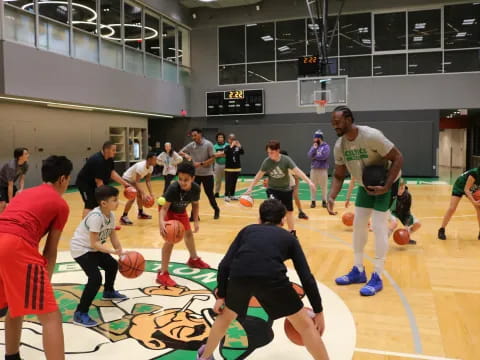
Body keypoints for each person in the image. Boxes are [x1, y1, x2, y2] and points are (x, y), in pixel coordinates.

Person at [196, 199, 329, 360]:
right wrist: (319, 310)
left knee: (225, 318)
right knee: (306, 326)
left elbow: (224, 265)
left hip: (240, 276)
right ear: (283, 220)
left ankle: (204, 358)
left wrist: (221, 296)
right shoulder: (289, 238)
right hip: (272, 278)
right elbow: (306, 277)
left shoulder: (247, 231)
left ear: (259, 219)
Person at [0, 155, 73, 360]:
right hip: (15, 246)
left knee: (15, 305)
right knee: (51, 317)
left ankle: (11, 357)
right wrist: (45, 283)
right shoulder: (60, 204)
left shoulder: (23, 193)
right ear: (63, 179)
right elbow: (50, 250)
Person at [327, 106, 403, 297]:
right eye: (333, 122)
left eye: (337, 122)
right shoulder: (340, 145)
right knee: (359, 224)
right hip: (364, 185)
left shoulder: (371, 136)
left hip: (386, 182)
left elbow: (398, 157)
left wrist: (386, 185)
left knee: (378, 225)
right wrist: (332, 196)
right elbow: (338, 175)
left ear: (349, 119)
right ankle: (358, 270)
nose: (334, 125)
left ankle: (377, 275)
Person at [70, 185, 127, 327]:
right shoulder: (96, 217)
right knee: (95, 278)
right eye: (114, 200)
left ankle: (108, 291)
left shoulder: (111, 215)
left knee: (112, 265)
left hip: (92, 248)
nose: (118, 202)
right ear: (103, 203)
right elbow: (94, 243)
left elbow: (113, 234)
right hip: (81, 249)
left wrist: (119, 249)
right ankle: (80, 313)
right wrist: (111, 251)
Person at [244, 140, 316, 236]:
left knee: (289, 212)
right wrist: (250, 188)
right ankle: (267, 231)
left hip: (286, 189)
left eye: (272, 152)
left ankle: (292, 232)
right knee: (272, 210)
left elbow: (298, 171)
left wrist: (309, 182)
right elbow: (259, 175)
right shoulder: (266, 162)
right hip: (272, 189)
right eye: (268, 153)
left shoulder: (286, 160)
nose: (270, 155)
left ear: (278, 150)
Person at [157, 163, 210, 286]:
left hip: (181, 210)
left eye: (186, 180)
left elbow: (195, 205)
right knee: (170, 239)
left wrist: (195, 221)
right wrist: (162, 223)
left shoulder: (196, 188)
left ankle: (193, 259)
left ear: (193, 178)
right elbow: (164, 209)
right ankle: (162, 273)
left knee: (189, 234)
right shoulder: (173, 188)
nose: (182, 182)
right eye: (180, 179)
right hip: (168, 210)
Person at [76, 141, 130, 218]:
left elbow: (112, 173)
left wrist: (125, 184)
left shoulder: (109, 158)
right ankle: (85, 227)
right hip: (85, 184)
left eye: (115, 150)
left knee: (101, 203)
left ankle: (102, 224)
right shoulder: (98, 161)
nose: (115, 152)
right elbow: (99, 182)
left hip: (96, 183)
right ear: (106, 150)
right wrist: (107, 196)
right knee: (90, 205)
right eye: (113, 150)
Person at [179, 128, 220, 220]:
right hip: (196, 175)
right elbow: (180, 152)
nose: (193, 137)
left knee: (209, 194)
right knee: (193, 194)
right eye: (192, 136)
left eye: (195, 135)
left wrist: (201, 163)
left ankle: (216, 209)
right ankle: (194, 215)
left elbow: (213, 158)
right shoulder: (191, 145)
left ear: (200, 134)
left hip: (207, 174)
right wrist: (186, 155)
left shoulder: (208, 144)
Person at [438, 167, 480, 240]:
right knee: (452, 208)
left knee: (479, 208)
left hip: (472, 187)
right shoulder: (475, 173)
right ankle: (442, 229)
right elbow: (466, 189)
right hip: (460, 186)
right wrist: (473, 201)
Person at [119, 152, 157, 225]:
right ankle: (124, 217)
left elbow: (148, 181)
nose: (156, 161)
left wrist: (151, 193)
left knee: (139, 195)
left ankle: (140, 213)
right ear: (149, 159)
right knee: (132, 196)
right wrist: (144, 194)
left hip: (134, 180)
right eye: (154, 160)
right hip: (127, 179)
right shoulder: (141, 167)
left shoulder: (151, 167)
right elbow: (137, 182)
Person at [390, 178, 420, 244]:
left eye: (402, 188)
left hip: (402, 212)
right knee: (394, 224)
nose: (400, 190)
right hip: (391, 211)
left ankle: (406, 237)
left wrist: (406, 225)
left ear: (404, 187)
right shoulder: (391, 193)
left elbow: (407, 211)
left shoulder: (408, 195)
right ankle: (384, 240)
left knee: (418, 224)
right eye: (398, 188)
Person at [0, 147, 30, 214]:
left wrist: (21, 189)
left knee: (20, 200)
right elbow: (10, 184)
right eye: (26, 154)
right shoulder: (11, 166)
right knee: (3, 204)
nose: (28, 155)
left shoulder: (25, 165)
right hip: (1, 185)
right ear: (20, 156)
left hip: (10, 184)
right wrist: (10, 202)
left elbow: (22, 179)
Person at [308, 130, 330, 208]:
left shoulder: (326, 146)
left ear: (319, 138)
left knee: (324, 186)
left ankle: (324, 201)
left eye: (315, 138)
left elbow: (324, 156)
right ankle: (313, 201)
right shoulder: (314, 146)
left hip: (323, 169)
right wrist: (314, 148)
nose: (314, 139)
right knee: (313, 186)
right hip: (314, 169)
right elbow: (310, 155)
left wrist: (315, 157)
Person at [224, 133, 244, 201]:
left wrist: (240, 146)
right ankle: (226, 195)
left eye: (234, 139)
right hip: (229, 168)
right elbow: (226, 152)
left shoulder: (237, 147)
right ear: (228, 140)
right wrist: (231, 146)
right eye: (231, 139)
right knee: (228, 182)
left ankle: (232, 195)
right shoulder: (227, 147)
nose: (233, 140)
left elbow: (242, 152)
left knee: (234, 182)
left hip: (237, 167)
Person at [213, 132, 228, 198]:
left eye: (221, 137)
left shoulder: (227, 145)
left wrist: (219, 153)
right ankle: (216, 192)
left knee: (227, 180)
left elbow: (227, 154)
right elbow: (214, 155)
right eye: (219, 137)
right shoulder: (214, 146)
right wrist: (223, 154)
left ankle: (227, 193)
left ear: (224, 138)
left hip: (226, 165)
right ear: (217, 139)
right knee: (217, 180)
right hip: (217, 165)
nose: (220, 138)